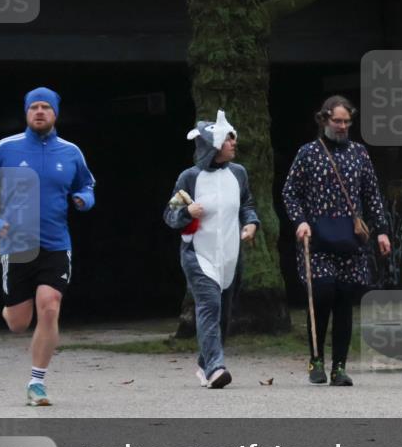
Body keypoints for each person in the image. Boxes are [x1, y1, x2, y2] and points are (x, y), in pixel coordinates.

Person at [0, 87, 96, 406]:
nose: (39, 111)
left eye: (45, 107)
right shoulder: (6, 148)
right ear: (26, 113)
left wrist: (85, 199)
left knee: (50, 304)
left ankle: (36, 382)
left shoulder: (70, 152)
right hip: (17, 246)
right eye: (34, 107)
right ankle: (11, 309)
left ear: (55, 113)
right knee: (18, 323)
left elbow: (87, 183)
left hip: (56, 244)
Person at [282, 95, 390, 386]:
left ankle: (339, 367)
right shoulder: (308, 153)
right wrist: (300, 221)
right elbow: (290, 192)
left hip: (350, 239)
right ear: (324, 119)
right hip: (317, 237)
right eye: (337, 121)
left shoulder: (359, 153)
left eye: (346, 121)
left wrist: (381, 230)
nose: (342, 126)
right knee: (322, 293)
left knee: (344, 299)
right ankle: (316, 359)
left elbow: (372, 194)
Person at [163, 111, 259, 389]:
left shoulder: (239, 173)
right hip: (198, 255)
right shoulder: (189, 178)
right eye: (228, 139)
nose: (234, 142)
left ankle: (205, 366)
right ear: (212, 145)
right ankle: (217, 366)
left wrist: (251, 223)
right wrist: (187, 212)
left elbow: (247, 205)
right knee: (209, 306)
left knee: (224, 314)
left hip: (230, 255)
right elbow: (169, 215)